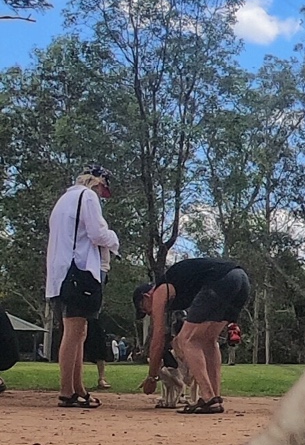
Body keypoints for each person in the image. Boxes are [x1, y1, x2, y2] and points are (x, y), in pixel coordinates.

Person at [135, 257, 250, 414]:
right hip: (241, 279)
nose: (147, 313)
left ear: (146, 296)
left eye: (143, 309)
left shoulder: (159, 291)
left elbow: (158, 338)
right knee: (209, 340)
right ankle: (214, 398)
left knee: (186, 339)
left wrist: (151, 377)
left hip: (222, 279)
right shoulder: (175, 288)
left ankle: (208, 397)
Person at [45, 169, 119, 409]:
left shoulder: (64, 200)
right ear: (97, 183)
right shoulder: (87, 197)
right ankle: (67, 391)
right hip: (79, 271)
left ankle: (78, 388)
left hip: (61, 274)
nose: (101, 194)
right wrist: (114, 239)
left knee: (78, 332)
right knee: (74, 332)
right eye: (102, 188)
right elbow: (97, 234)